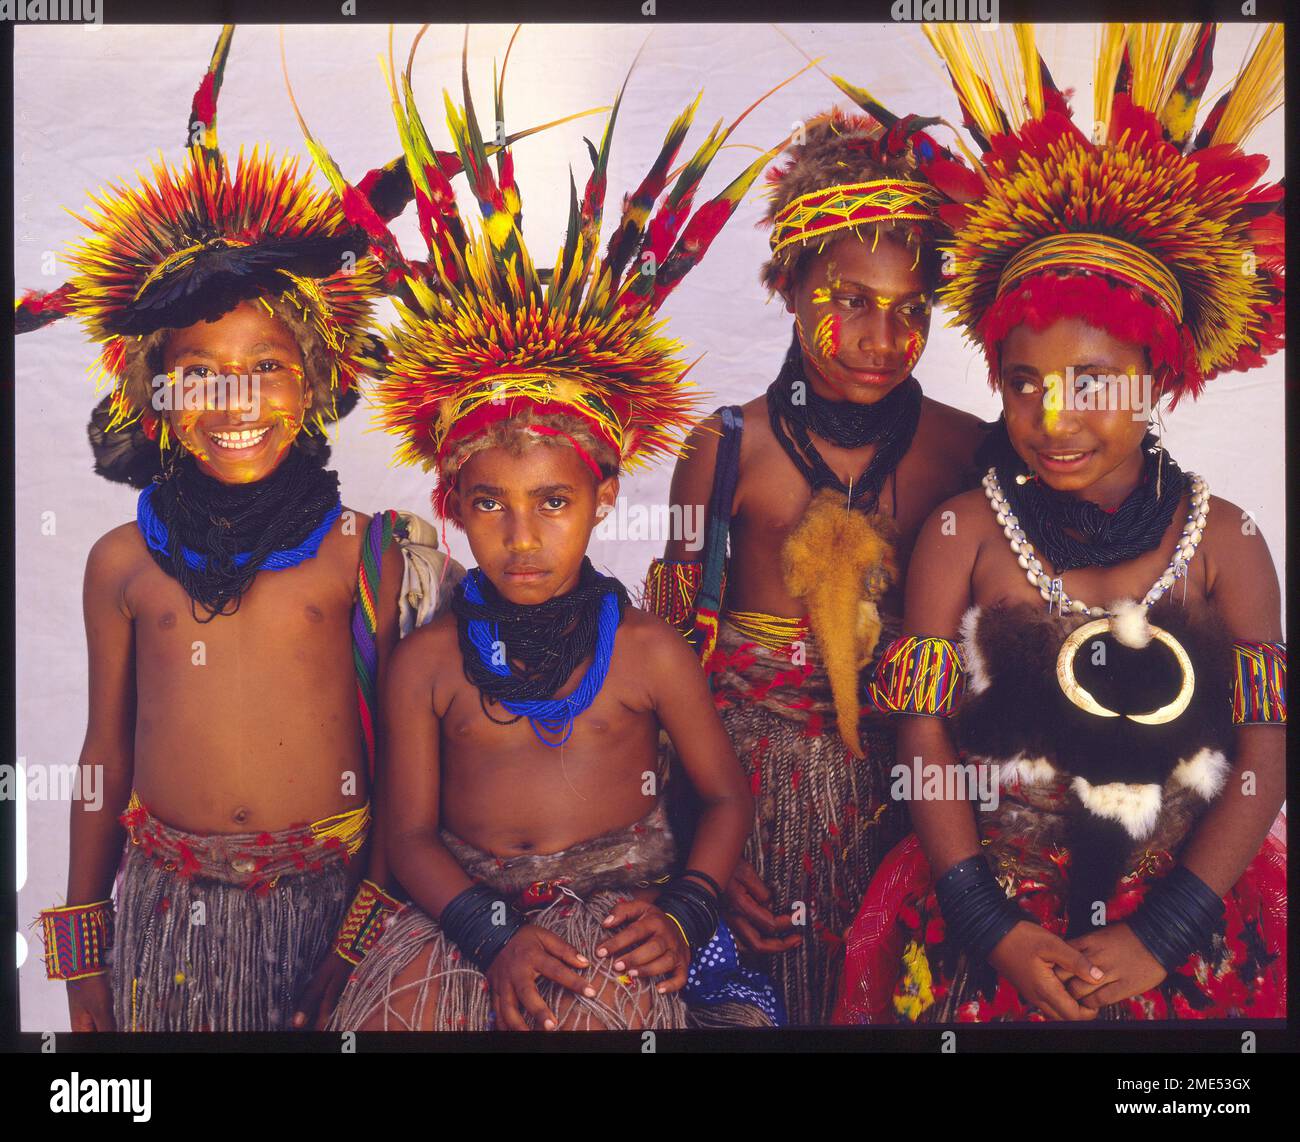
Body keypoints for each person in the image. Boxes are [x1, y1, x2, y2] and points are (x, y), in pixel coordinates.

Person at [318, 42, 795, 1031]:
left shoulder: (650, 654)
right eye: (489, 502)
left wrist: (686, 908)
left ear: (604, 495)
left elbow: (720, 798)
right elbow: (407, 835)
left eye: (553, 502)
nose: (521, 534)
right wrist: (490, 935)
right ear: (450, 503)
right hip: (470, 916)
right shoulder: (429, 665)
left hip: (621, 908)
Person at [835, 22, 1286, 1023]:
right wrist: (986, 921)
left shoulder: (1228, 544)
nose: (1051, 418)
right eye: (1023, 382)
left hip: (1180, 906)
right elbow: (921, 738)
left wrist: (1161, 934)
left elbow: (1265, 755)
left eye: (1093, 382)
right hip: (990, 894)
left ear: (1160, 376)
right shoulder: (962, 536)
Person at [26, 27, 459, 1031]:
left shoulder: (372, 554)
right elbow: (102, 755)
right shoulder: (124, 565)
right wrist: (85, 960)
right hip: (166, 927)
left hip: (333, 921)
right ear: (153, 394)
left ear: (315, 379)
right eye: (199, 370)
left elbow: (407, 768)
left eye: (265, 363)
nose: (235, 398)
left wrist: (366, 931)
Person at [643, 79, 985, 1023]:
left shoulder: (965, 451)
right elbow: (668, 665)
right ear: (787, 284)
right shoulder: (723, 451)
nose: (884, 339)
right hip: (755, 809)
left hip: (917, 807)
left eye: (912, 308)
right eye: (851, 301)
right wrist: (701, 842)